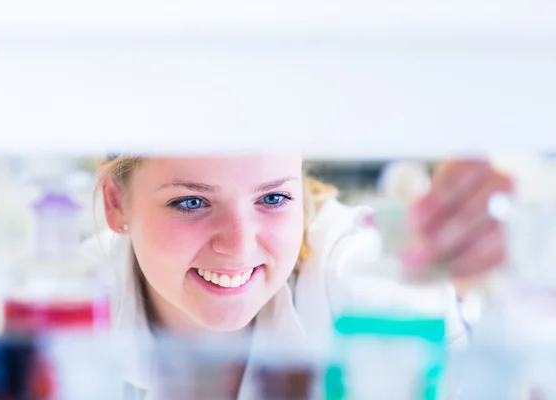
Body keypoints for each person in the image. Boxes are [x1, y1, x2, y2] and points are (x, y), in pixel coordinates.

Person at [80, 155, 512, 399]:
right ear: (117, 204)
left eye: (272, 197)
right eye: (191, 202)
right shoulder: (68, 304)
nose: (239, 244)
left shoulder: (353, 268)